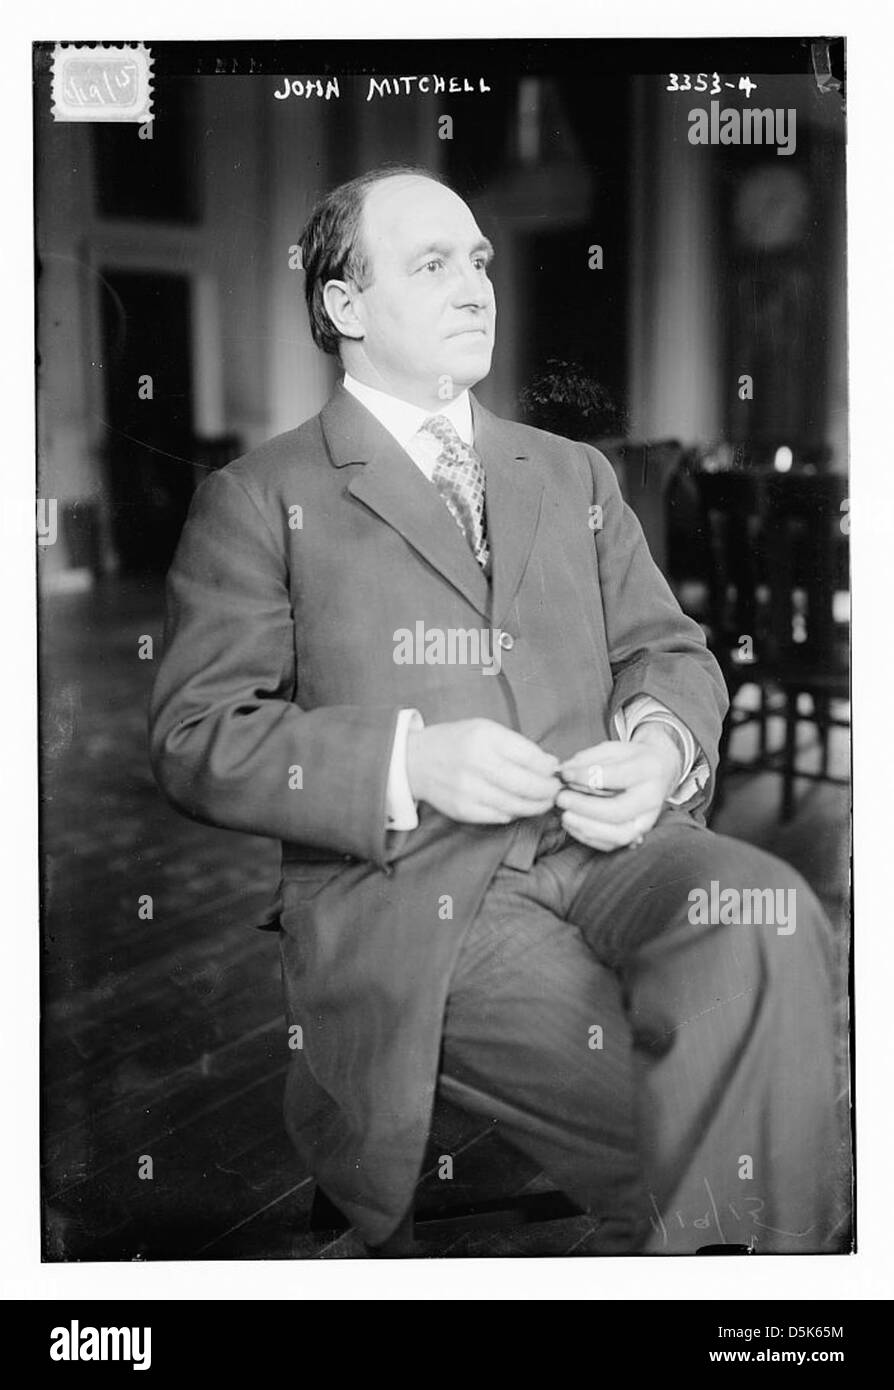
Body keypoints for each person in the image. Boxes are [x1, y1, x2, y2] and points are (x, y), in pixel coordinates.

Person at [149, 164, 852, 1255]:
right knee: (750, 1114)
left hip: (617, 844)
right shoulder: (257, 498)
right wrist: (411, 761)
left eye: (478, 260)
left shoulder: (574, 476)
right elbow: (198, 737)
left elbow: (669, 650)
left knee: (768, 914)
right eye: (433, 264)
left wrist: (662, 748)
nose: (477, 284)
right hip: (415, 890)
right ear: (343, 305)